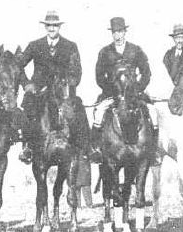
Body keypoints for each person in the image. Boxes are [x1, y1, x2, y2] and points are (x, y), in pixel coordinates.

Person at [19, 10, 84, 157]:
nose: (52, 29)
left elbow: (77, 71)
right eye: (49, 25)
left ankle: (85, 148)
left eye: (55, 26)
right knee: (28, 107)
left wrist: (68, 82)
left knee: (78, 110)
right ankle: (27, 146)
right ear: (45, 27)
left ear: (59, 27)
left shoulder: (70, 46)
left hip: (62, 91)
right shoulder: (35, 45)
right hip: (39, 91)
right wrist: (26, 84)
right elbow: (18, 65)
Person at [90, 16, 151, 154]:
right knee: (99, 112)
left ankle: (153, 151)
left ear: (125, 32)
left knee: (152, 112)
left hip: (133, 95)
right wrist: (111, 90)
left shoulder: (136, 50)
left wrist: (138, 89)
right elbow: (99, 76)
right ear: (112, 33)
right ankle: (95, 149)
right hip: (113, 93)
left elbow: (146, 73)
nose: (117, 35)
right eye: (114, 32)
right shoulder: (105, 52)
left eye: (120, 31)